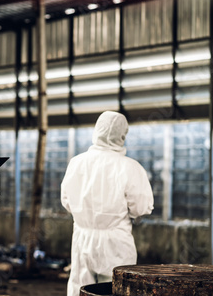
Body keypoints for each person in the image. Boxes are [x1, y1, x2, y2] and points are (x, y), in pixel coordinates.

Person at [60, 111, 154, 296]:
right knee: (116, 288)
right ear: (122, 136)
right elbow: (142, 208)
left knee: (80, 286)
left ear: (97, 130)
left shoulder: (76, 163)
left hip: (82, 236)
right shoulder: (130, 167)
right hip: (116, 239)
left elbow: (66, 201)